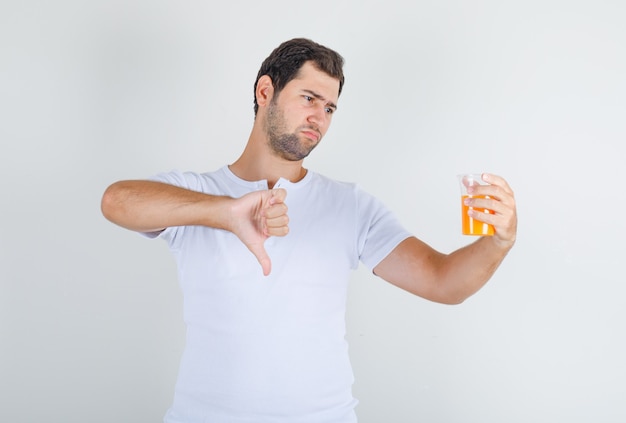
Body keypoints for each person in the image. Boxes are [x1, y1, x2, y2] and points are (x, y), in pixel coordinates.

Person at [101, 38, 517, 423]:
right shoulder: (196, 194)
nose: (319, 117)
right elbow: (116, 201)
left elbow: (443, 282)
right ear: (266, 92)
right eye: (309, 98)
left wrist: (499, 241)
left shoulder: (349, 206)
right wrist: (225, 213)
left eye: (330, 108)